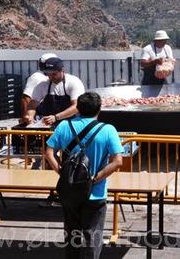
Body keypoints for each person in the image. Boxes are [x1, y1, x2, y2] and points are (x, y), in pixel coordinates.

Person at [45, 91, 124, 259]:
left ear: (78, 108)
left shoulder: (64, 126)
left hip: (70, 190)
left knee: (71, 234)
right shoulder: (108, 130)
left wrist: (61, 172)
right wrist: (97, 178)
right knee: (92, 237)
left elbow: (49, 153)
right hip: (95, 193)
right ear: (99, 108)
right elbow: (117, 161)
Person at [27, 57, 85, 126]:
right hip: (48, 123)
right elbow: (32, 105)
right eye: (48, 74)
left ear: (62, 70)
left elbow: (76, 106)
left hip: (70, 124)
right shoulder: (43, 84)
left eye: (54, 74)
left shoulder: (73, 82)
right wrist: (30, 116)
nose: (50, 77)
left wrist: (56, 117)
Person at [20, 52, 58, 124]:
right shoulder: (37, 77)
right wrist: (27, 118)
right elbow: (26, 98)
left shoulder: (48, 77)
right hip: (37, 116)